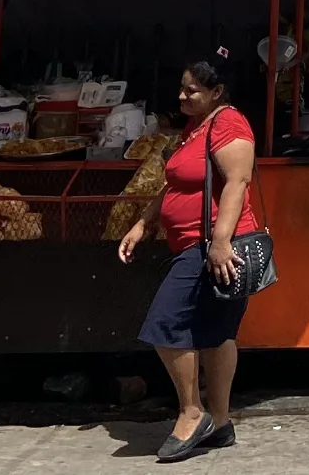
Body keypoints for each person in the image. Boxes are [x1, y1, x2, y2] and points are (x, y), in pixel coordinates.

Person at [116, 55, 261, 462]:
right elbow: (175, 183)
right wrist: (144, 223)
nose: (181, 96)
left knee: (165, 323)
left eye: (191, 90)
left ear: (216, 93)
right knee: (216, 332)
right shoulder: (195, 127)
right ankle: (220, 421)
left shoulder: (228, 123)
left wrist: (220, 241)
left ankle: (192, 412)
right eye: (181, 87)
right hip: (193, 245)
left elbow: (238, 181)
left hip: (212, 247)